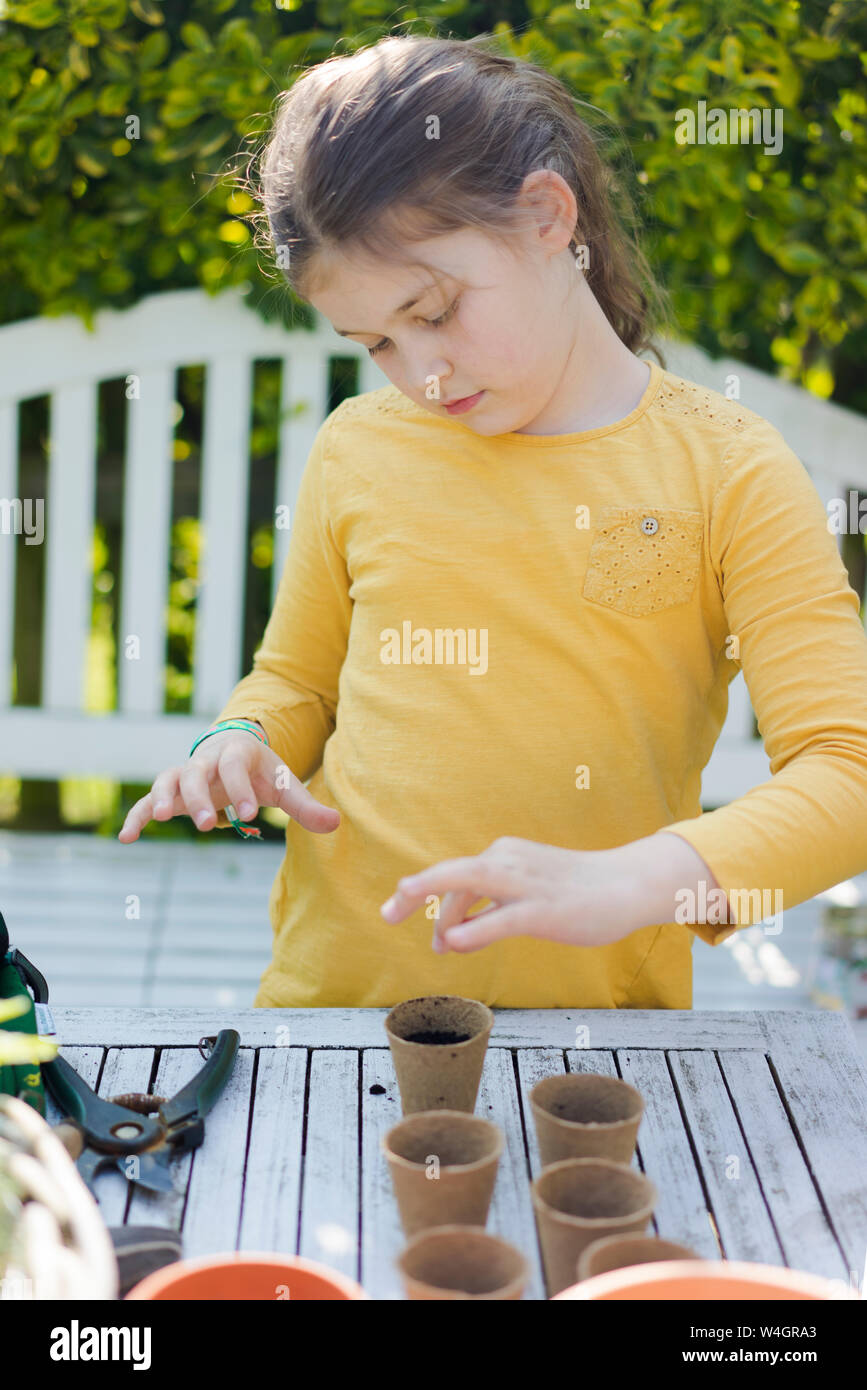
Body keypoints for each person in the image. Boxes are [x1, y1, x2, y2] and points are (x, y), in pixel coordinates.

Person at [118, 34, 867, 1010]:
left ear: (548, 216)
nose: (418, 371)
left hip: (597, 1048)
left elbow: (846, 771)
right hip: (337, 1012)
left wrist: (633, 879)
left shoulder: (729, 468)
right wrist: (239, 737)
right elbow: (296, 681)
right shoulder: (360, 446)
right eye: (376, 339)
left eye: (433, 309)